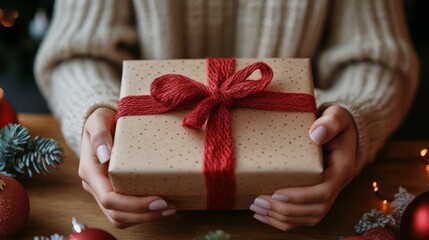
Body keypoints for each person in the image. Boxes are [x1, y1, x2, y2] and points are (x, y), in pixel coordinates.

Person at [34, 0, 419, 231]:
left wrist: (352, 117)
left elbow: (378, 60)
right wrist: (95, 113)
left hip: (310, 162)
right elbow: (78, 55)